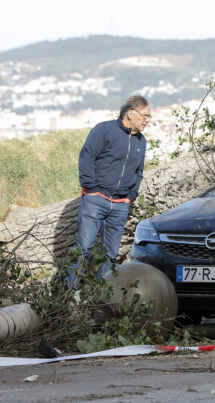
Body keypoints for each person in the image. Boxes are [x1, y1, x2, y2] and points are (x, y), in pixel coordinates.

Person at [67, 95, 150, 286]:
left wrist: (130, 197)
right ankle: (68, 297)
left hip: (120, 206)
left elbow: (139, 172)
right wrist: (91, 188)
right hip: (96, 199)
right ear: (130, 113)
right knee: (83, 250)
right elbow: (87, 156)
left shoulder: (141, 141)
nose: (147, 120)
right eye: (145, 115)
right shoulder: (104, 130)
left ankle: (100, 299)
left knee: (110, 255)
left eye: (149, 116)